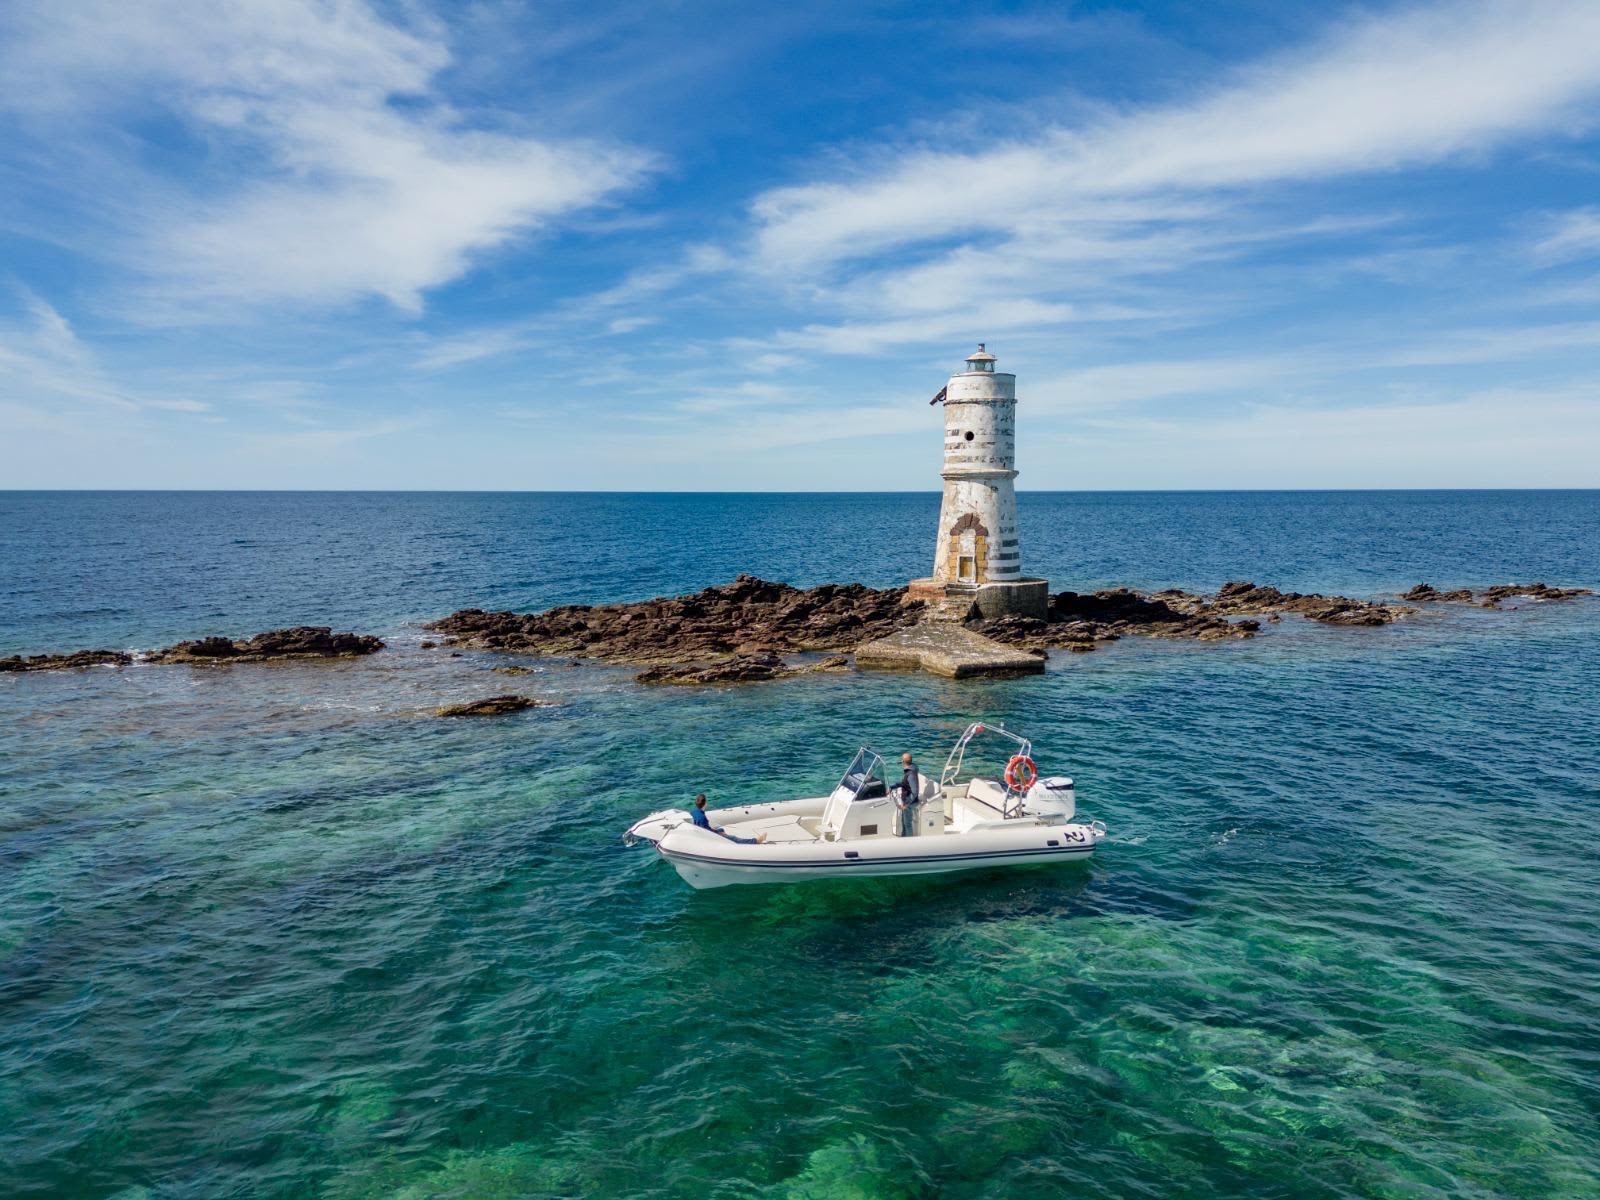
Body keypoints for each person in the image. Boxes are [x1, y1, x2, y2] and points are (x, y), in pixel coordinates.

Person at [690, 793, 766, 844]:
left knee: (721, 829)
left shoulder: (693, 812)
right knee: (734, 838)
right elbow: (707, 832)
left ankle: (725, 838)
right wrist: (718, 833)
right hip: (708, 836)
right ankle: (756, 841)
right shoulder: (702, 817)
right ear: (705, 803)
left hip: (701, 832)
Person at [894, 753, 921, 837]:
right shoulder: (911, 770)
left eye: (902, 759)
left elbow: (915, 791)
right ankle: (904, 838)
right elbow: (904, 784)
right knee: (903, 822)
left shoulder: (910, 774)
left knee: (907, 824)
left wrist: (907, 804)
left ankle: (909, 843)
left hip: (910, 802)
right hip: (907, 800)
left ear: (903, 761)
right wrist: (892, 786)